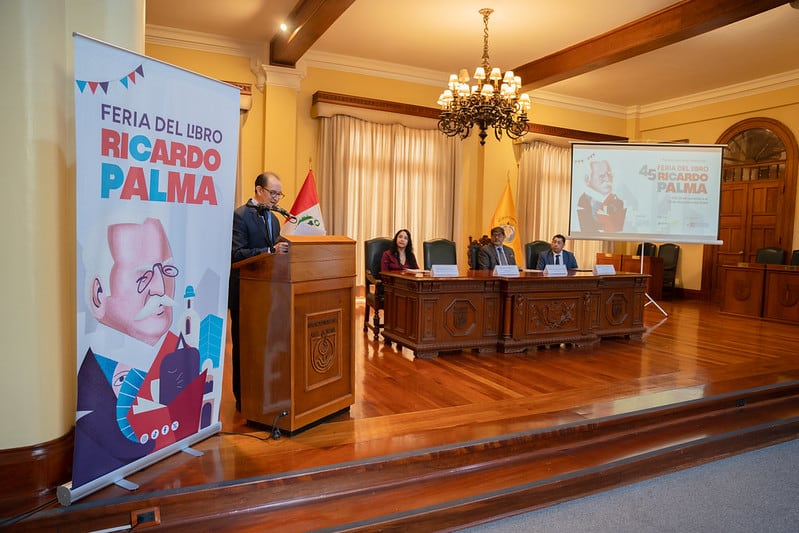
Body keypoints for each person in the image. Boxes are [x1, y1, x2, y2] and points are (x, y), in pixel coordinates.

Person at [229, 172, 290, 411]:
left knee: (266, 346)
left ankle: (264, 394)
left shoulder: (274, 220)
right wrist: (269, 250)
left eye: (279, 194)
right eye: (273, 192)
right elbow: (236, 254)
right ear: (259, 190)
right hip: (244, 293)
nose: (276, 198)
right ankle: (243, 398)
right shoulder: (240, 216)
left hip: (269, 294)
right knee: (245, 347)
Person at [576, 159, 626, 232]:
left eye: (609, 174)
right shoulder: (582, 203)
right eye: (602, 176)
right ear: (587, 179)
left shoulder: (618, 201)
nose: (607, 179)